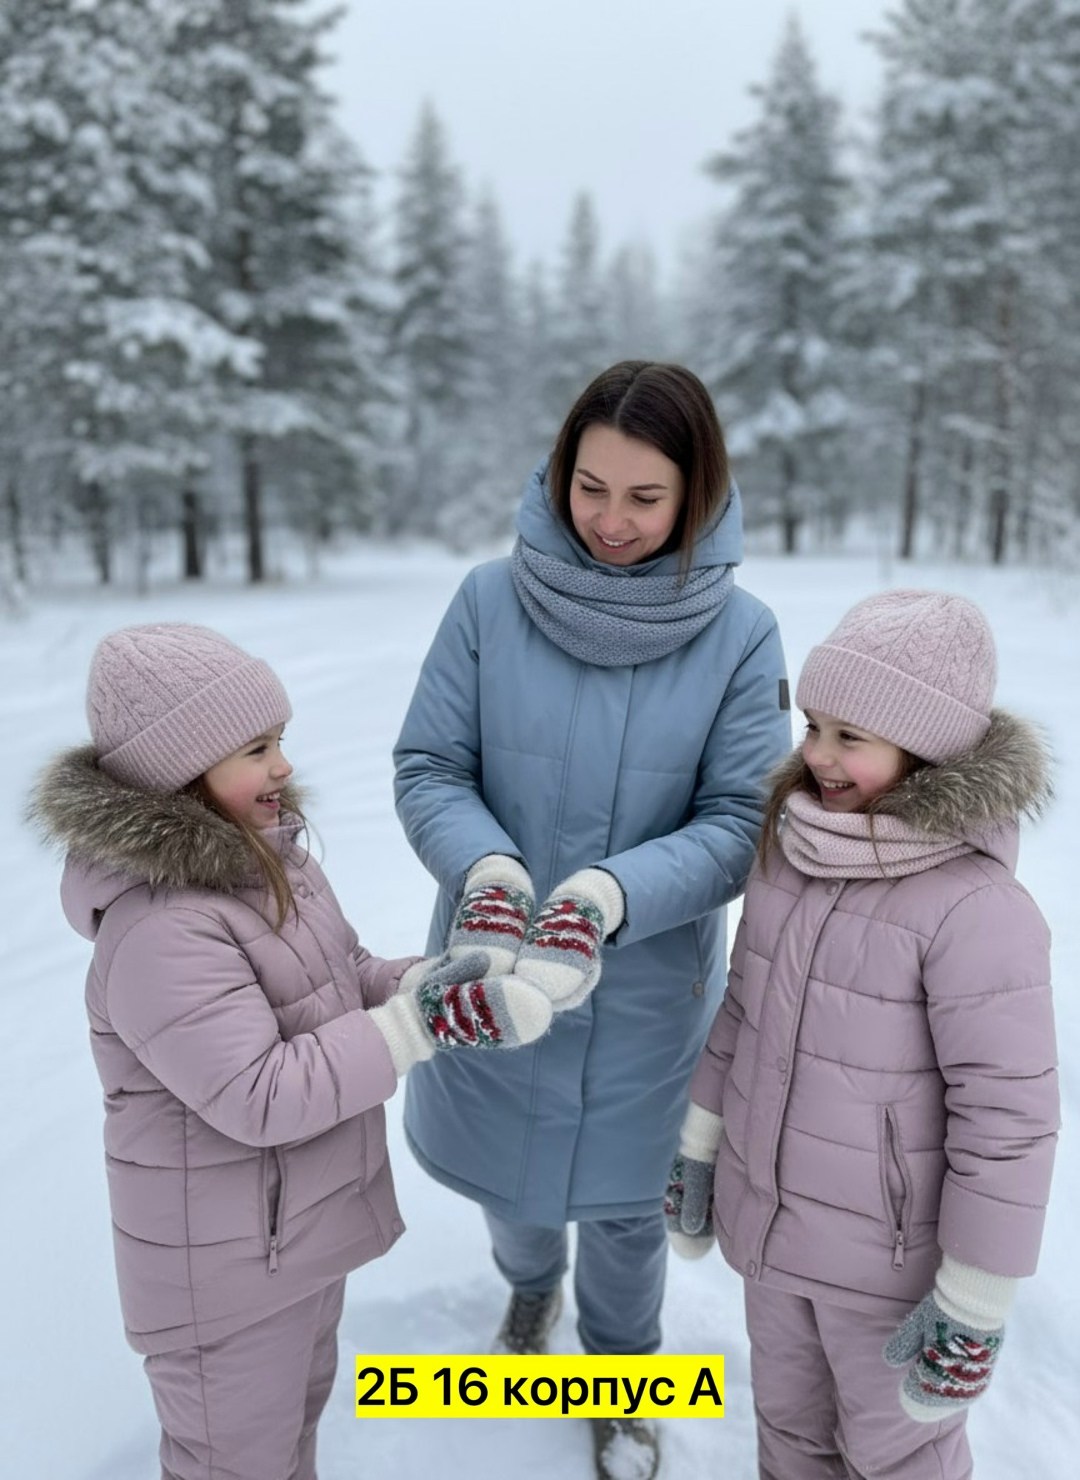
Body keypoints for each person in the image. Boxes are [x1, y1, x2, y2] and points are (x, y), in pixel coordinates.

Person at [26, 622, 555, 1480]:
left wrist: (430, 982)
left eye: (280, 741)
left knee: (291, 1432)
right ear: (179, 777)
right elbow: (260, 1094)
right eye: (255, 749)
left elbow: (342, 975)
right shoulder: (162, 928)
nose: (282, 766)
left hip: (287, 1242)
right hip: (224, 1279)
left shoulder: (273, 864)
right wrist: (420, 1026)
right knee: (233, 1463)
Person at [392, 360, 792, 1479]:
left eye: (646, 497)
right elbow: (430, 763)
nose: (612, 522)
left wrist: (610, 895)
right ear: (559, 474)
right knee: (509, 1184)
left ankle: (619, 1378)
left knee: (623, 1207)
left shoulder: (743, 636)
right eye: (591, 487)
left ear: (698, 494)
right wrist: (485, 866)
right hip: (489, 957)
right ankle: (528, 1289)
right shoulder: (485, 600)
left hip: (643, 991)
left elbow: (737, 819)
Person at [665, 589, 1059, 1480]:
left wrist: (973, 1298)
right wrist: (700, 1148)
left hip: (888, 1270)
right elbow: (742, 1016)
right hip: (771, 1234)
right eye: (813, 725)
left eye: (852, 737)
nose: (817, 757)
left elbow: (1010, 1118)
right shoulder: (791, 855)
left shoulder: (975, 908)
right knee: (791, 1434)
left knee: (899, 1457)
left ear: (925, 753)